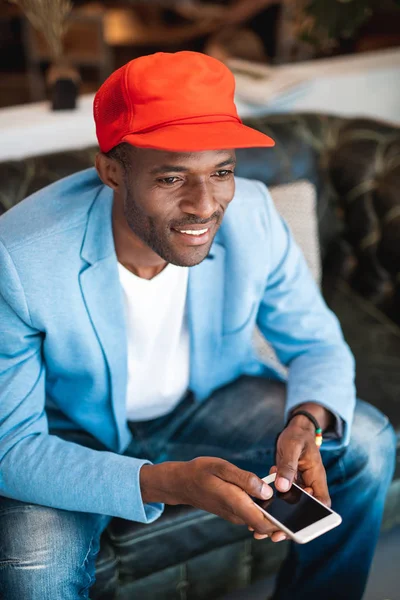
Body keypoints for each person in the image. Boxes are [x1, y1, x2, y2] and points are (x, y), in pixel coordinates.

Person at [0, 51, 395, 600]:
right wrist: (167, 481)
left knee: (368, 442)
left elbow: (317, 343)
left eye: (222, 171)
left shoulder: (254, 216)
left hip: (206, 401)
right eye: (171, 177)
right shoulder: (20, 259)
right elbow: (11, 446)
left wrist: (307, 422)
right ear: (111, 171)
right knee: (33, 569)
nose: (205, 205)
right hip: (71, 434)